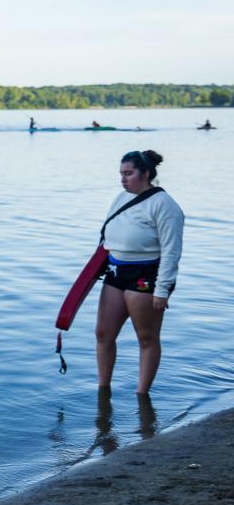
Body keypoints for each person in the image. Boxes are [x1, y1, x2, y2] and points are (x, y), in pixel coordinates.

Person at [95, 150, 184, 394]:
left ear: (145, 174)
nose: (123, 179)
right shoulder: (120, 198)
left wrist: (162, 290)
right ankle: (103, 391)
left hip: (146, 276)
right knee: (103, 334)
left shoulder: (165, 205)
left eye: (129, 174)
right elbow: (108, 236)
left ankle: (141, 395)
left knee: (146, 339)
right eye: (121, 174)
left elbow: (172, 251)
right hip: (115, 272)